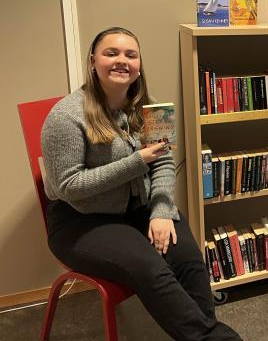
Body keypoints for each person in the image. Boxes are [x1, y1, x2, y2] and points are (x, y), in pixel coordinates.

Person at [41, 27, 241, 340]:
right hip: (80, 221)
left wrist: (161, 210)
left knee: (188, 257)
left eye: (130, 55)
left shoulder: (151, 108)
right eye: (111, 53)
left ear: (138, 65)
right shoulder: (66, 116)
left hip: (139, 208)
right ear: (93, 61)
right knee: (151, 269)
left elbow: (162, 160)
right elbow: (69, 186)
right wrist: (138, 161)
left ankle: (201, 334)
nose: (122, 61)